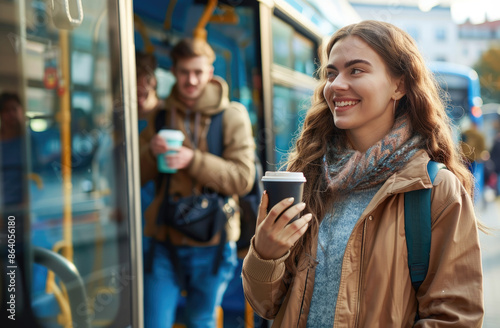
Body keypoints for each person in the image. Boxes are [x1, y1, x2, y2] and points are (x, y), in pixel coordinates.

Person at [242, 20, 484, 327]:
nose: (336, 84)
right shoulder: (306, 177)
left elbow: (455, 318)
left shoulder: (434, 189)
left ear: (399, 85)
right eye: (331, 73)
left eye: (356, 70)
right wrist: (265, 254)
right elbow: (266, 305)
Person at [139, 38, 255, 328]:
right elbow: (136, 177)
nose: (191, 80)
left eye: (198, 72)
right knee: (153, 322)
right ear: (173, 72)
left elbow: (242, 179)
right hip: (164, 239)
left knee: (200, 321)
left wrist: (193, 160)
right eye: (183, 72)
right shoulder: (161, 115)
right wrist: (150, 154)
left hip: (213, 242)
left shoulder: (232, 115)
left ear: (210, 71)